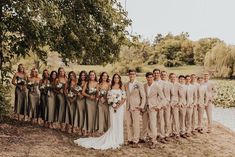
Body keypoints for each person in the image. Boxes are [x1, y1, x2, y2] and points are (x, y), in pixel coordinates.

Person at [74, 73, 126, 150]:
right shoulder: (111, 86)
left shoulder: (122, 86)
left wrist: (117, 105)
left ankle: (119, 139)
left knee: (119, 122)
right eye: (115, 78)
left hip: (119, 107)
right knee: (113, 122)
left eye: (117, 78)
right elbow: (108, 95)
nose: (116, 79)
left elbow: (124, 98)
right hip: (112, 107)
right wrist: (110, 102)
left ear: (119, 78)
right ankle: (113, 137)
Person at [143, 72, 164, 149]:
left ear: (153, 78)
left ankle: (154, 141)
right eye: (148, 77)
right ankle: (148, 137)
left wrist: (158, 106)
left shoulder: (157, 86)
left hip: (153, 108)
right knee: (146, 124)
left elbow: (162, 98)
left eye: (151, 77)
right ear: (146, 78)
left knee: (153, 124)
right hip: (145, 108)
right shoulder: (144, 85)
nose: (150, 78)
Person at [125, 69, 146, 148]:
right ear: (128, 75)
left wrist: (141, 106)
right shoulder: (126, 84)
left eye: (133, 74)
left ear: (135, 75)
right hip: (127, 107)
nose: (132, 75)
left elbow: (143, 96)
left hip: (136, 107)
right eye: (130, 74)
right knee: (129, 124)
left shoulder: (139, 84)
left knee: (136, 124)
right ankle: (130, 139)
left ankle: (135, 140)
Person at [82, 70, 99, 136]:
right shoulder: (87, 83)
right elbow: (83, 92)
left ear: (95, 76)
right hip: (88, 101)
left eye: (93, 75)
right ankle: (88, 130)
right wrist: (89, 96)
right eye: (91, 75)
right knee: (88, 115)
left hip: (94, 101)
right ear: (89, 76)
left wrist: (95, 96)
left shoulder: (97, 83)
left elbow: (97, 93)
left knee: (94, 115)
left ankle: (93, 130)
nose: (92, 76)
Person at [74, 71, 87, 136]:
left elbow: (88, 91)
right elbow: (74, 89)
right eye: (82, 75)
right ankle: (79, 129)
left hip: (85, 100)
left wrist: (83, 95)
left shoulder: (87, 82)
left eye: (84, 75)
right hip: (79, 100)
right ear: (80, 76)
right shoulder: (77, 82)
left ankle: (84, 129)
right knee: (79, 114)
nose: (83, 76)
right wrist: (78, 93)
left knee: (84, 114)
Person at [55, 67, 67, 131]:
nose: (61, 72)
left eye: (62, 71)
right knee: (61, 109)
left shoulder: (66, 79)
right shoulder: (57, 79)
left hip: (66, 95)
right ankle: (61, 125)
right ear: (58, 72)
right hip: (60, 95)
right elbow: (55, 89)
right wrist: (59, 91)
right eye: (60, 71)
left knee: (65, 109)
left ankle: (64, 124)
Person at [169, 73, 180, 139]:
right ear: (169, 78)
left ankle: (176, 132)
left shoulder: (178, 85)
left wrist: (177, 103)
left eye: (174, 77)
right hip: (168, 103)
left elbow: (181, 96)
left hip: (175, 103)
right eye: (171, 77)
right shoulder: (167, 84)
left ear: (176, 78)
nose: (173, 78)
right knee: (168, 119)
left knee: (176, 119)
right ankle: (169, 132)